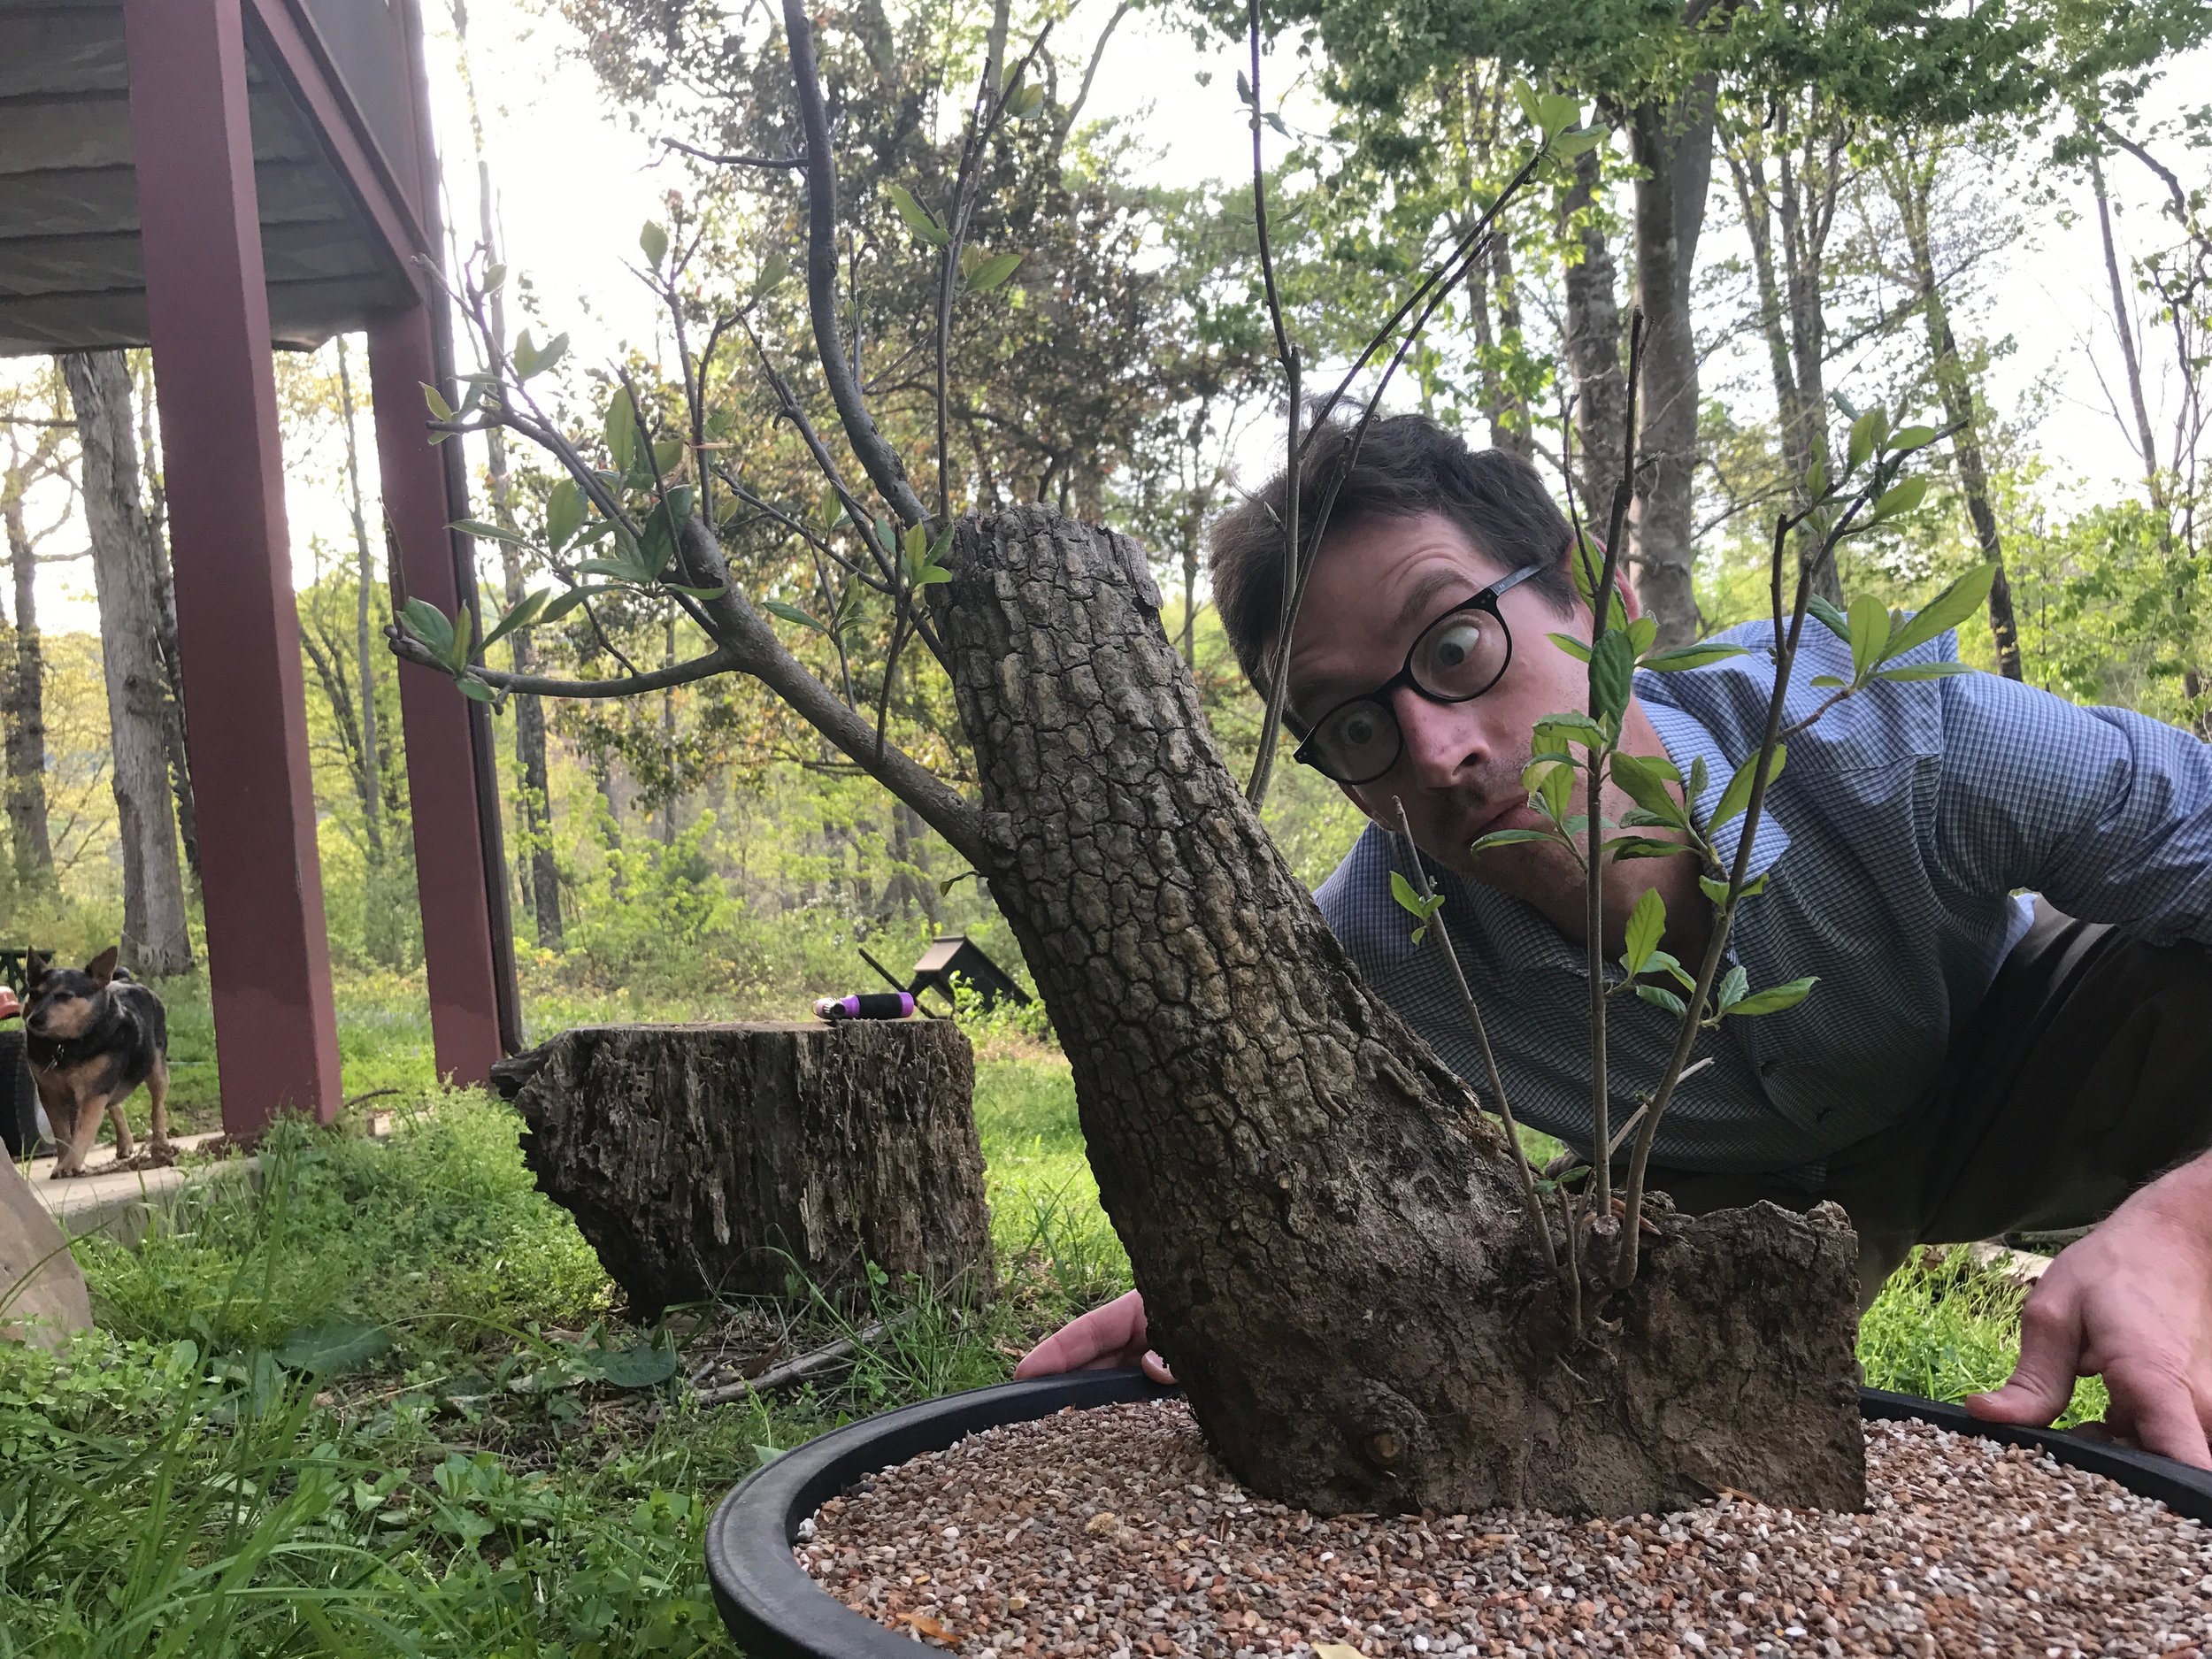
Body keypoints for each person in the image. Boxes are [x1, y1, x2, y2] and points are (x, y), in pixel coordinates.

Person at [1017, 412, 2212, 1471]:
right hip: (1707, 1190)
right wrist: (1252, 1286)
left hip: (2016, 1033)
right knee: (1546, 1380)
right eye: (1356, 725)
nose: (1436, 753)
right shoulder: (1369, 956)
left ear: (1602, 605)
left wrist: (2191, 1225)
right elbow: (1338, 1187)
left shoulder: (1901, 736)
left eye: (1452, 647)